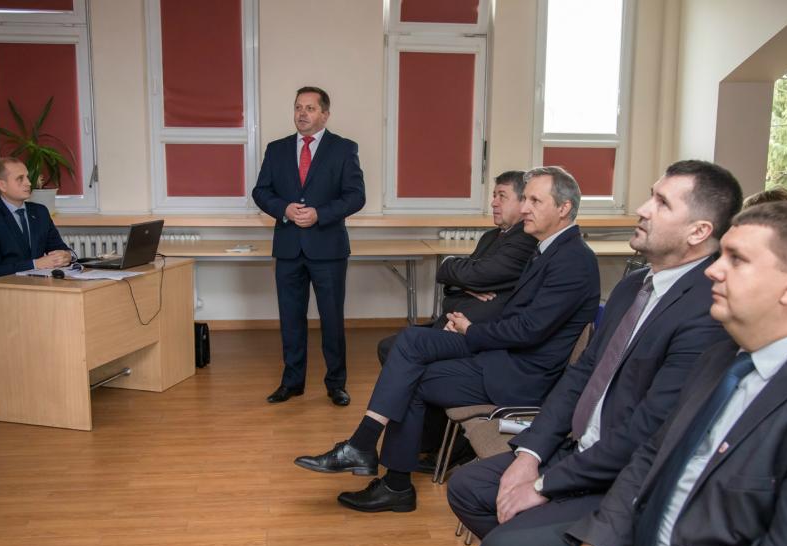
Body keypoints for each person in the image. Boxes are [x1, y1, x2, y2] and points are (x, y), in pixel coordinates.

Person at [472, 201, 787, 546]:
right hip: (641, 540)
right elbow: (651, 457)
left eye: (737, 260)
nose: (713, 270)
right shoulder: (724, 356)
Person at [448, 160, 742, 540]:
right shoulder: (633, 285)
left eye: (662, 203)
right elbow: (583, 373)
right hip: (574, 446)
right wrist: (530, 454)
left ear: (698, 231)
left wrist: (545, 485)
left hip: (619, 473)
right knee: (467, 487)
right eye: (650, 196)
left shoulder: (706, 310)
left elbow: (647, 430)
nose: (642, 209)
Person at [293, 166, 601, 513]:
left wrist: (471, 330)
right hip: (504, 355)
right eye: (525, 199)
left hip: (520, 375)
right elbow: (512, 310)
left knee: (411, 374)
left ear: (563, 208)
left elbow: (529, 330)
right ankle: (369, 454)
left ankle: (383, 471)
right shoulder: (547, 249)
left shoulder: (573, 260)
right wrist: (470, 314)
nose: (525, 208)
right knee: (411, 343)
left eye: (535, 201)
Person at [252, 86, 366, 407]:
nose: (302, 114)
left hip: (328, 248)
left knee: (332, 319)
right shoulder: (276, 149)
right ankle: (292, 383)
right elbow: (261, 191)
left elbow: (356, 196)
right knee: (290, 319)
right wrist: (284, 209)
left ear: (325, 115)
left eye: (310, 108)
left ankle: (336, 384)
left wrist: (320, 214)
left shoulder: (343, 149)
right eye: (298, 107)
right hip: (288, 247)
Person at [376, 170, 537, 364]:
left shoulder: (526, 240)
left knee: (395, 348)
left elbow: (478, 275)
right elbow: (460, 280)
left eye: (502, 196)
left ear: (523, 202)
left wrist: (458, 271)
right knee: (391, 346)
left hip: (473, 330)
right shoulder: (490, 237)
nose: (494, 203)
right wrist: (466, 284)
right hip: (451, 321)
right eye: (494, 196)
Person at [0, 157, 72, 319]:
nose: (29, 183)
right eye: (20, 178)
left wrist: (67, 255)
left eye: (27, 177)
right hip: (0, 298)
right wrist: (35, 264)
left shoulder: (40, 212)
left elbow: (59, 247)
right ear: (2, 185)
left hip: (38, 292)